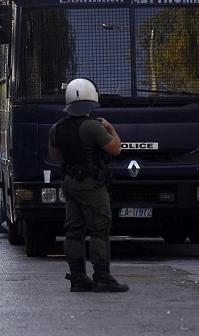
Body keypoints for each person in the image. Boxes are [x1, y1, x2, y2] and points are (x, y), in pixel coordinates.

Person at [47, 78, 128, 293]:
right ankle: (102, 276)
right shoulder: (93, 126)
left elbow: (54, 155)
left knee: (74, 230)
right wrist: (111, 129)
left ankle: (78, 277)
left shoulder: (57, 128)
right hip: (91, 184)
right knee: (100, 228)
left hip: (69, 182)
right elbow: (116, 149)